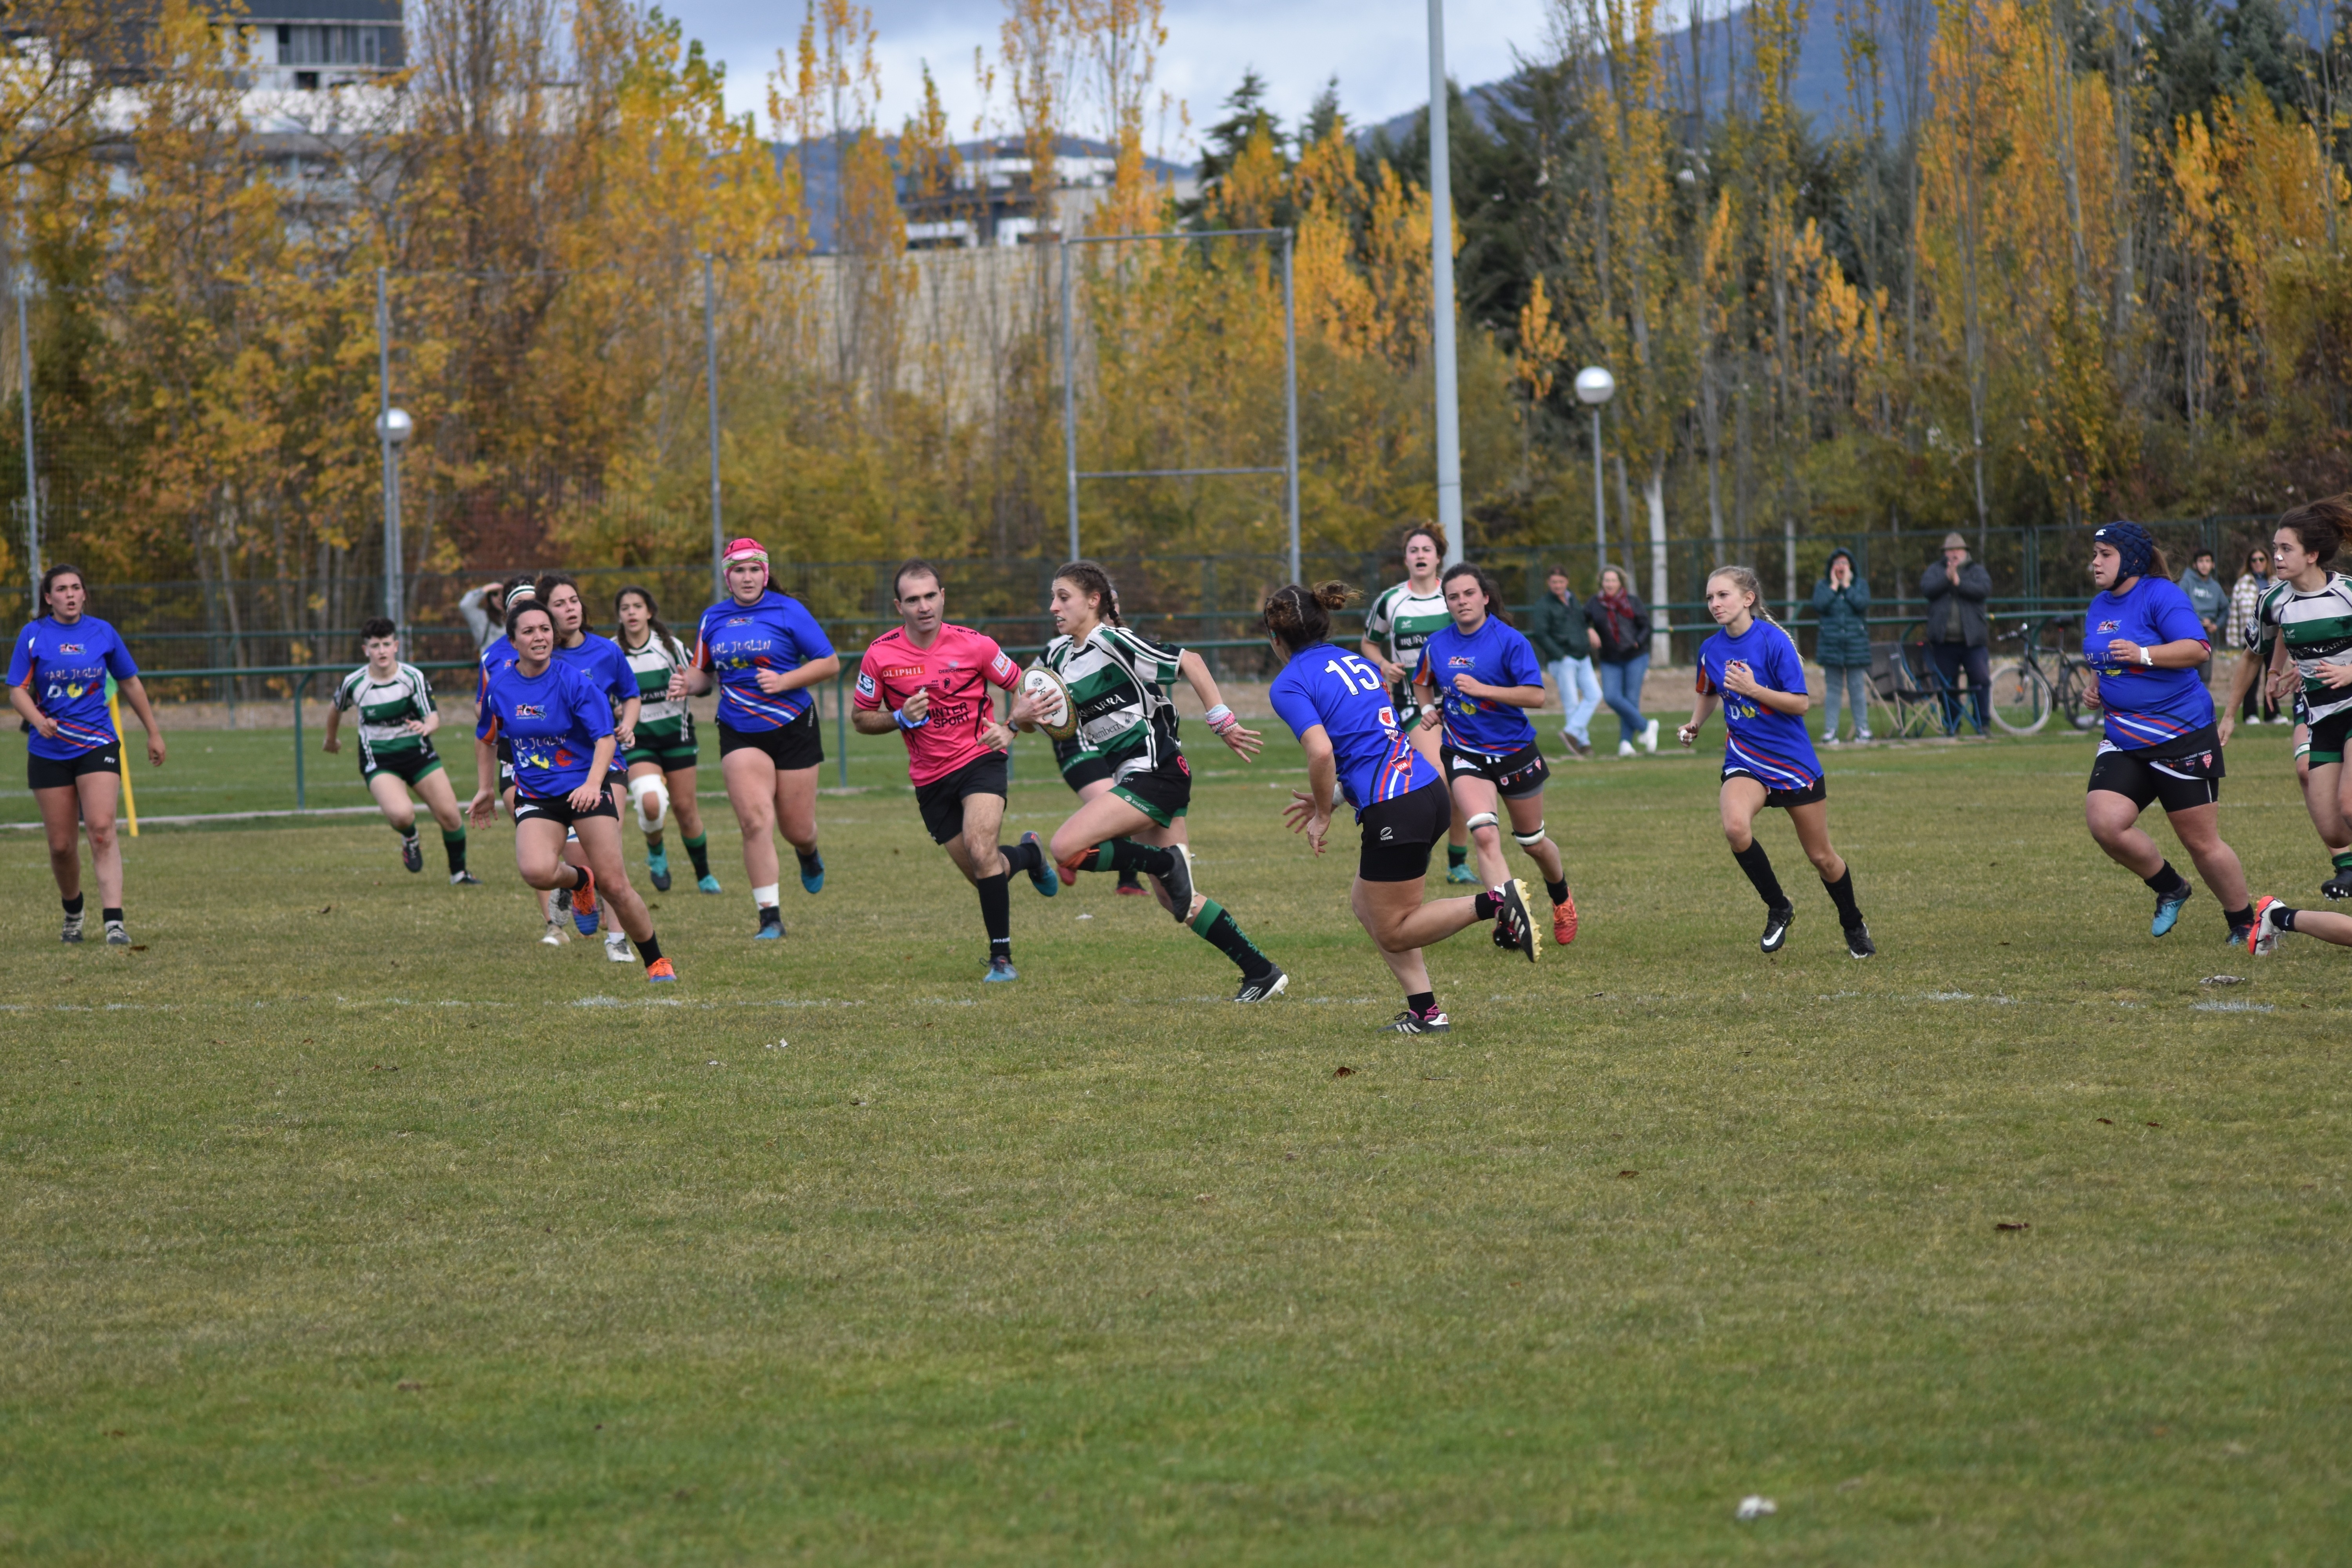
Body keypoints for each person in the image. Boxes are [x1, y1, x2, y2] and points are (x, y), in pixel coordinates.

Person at [1266, 581, 1541, 1035]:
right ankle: (1426, 1013)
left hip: (1397, 806)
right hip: (1427, 791)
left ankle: (1496, 901)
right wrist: (1334, 798)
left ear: (1275, 638)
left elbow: (1321, 752)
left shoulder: (1290, 682)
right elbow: (1368, 744)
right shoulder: (1357, 661)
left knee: (1394, 929)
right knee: (1366, 904)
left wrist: (1320, 812)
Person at [1009, 559, 1289, 1001]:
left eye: (1063, 598)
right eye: (1053, 598)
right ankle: (1260, 971)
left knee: (1064, 848)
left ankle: (1163, 863)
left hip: (1157, 771)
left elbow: (1191, 662)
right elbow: (1038, 716)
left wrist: (1221, 719)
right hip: (1137, 776)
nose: (1053, 607)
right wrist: (1021, 717)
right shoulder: (1060, 656)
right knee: (1178, 901)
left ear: (1093, 600)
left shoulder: (1114, 641)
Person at [853, 559, 1056, 982]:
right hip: (930, 779)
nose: (924, 606)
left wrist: (1013, 727)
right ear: (899, 606)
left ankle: (1001, 958)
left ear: (943, 596)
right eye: (913, 599)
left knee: (982, 849)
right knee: (987, 872)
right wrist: (898, 717)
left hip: (981, 758)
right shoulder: (880, 655)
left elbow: (1028, 692)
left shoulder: (976, 645)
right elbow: (860, 718)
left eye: (930, 596)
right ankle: (1032, 855)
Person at [469, 598, 675, 981]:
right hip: (536, 793)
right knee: (536, 871)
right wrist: (485, 788)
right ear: (512, 641)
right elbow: (488, 737)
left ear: (555, 634)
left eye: (545, 629)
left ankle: (656, 959)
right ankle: (581, 881)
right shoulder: (499, 686)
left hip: (585, 789)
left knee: (615, 884)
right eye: (528, 631)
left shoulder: (575, 681)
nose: (539, 637)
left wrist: (594, 785)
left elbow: (605, 739)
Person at [1678, 566, 1875, 957]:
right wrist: (1696, 722)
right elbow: (1708, 689)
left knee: (1822, 857)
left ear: (1748, 599)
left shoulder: (1774, 642)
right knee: (1736, 828)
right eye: (1710, 598)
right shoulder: (1711, 649)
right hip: (1745, 757)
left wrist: (1754, 689)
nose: (1715, 604)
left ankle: (1852, 922)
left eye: (1723, 595)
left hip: (1791, 763)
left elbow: (1801, 704)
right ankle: (1779, 907)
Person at [2078, 520, 2253, 945]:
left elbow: (2197, 649)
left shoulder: (2161, 595)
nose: (2095, 563)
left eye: (2105, 555)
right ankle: (2171, 887)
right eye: (2095, 555)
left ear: (2132, 560)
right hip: (2123, 736)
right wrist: (2098, 684)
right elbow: (2105, 656)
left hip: (2181, 734)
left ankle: (2245, 923)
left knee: (2201, 843)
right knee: (2105, 821)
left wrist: (2143, 654)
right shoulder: (2099, 604)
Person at [679, 538, 839, 940]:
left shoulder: (788, 610)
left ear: (765, 573)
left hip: (793, 724)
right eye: (738, 570)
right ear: (727, 577)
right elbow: (703, 674)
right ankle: (770, 917)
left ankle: (809, 853)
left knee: (797, 829)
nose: (747, 577)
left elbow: (829, 662)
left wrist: (785, 680)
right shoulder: (712, 618)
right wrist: (686, 682)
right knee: (754, 821)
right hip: (739, 729)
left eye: (754, 569)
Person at [1413, 563, 1581, 949]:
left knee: (1533, 842)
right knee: (1485, 834)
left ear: (1485, 596)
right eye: (1453, 597)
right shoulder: (1437, 644)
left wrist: (1483, 689)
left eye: (1468, 594)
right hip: (1464, 753)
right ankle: (1509, 918)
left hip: (1514, 753)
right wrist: (1428, 710)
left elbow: (1536, 696)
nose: (1461, 602)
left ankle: (1562, 899)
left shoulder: (1509, 640)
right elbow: (1421, 681)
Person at [7, 563, 166, 945]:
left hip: (97, 742)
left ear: (84, 593)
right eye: (61, 589)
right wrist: (37, 719)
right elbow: (16, 689)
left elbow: (130, 682)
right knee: (61, 845)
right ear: (49, 598)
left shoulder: (102, 632)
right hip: (49, 748)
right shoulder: (33, 636)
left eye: (76, 587)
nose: (70, 595)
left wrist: (153, 732)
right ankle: (73, 911)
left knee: (101, 829)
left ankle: (114, 921)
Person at [2219, 500, 2352, 900]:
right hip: (2321, 717)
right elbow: (2251, 656)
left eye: (2286, 549)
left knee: (2349, 805)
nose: (2276, 556)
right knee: (2332, 827)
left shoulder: (2347, 592)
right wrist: (2229, 714)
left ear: (2312, 555)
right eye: (2274, 547)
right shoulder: (2272, 602)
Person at [324, 616, 475, 885]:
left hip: (418, 755)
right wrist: (331, 739)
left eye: (385, 644)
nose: (381, 651)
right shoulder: (355, 683)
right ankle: (410, 837)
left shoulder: (412, 678)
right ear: (366, 650)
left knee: (451, 816)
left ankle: (460, 874)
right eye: (374, 646)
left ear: (396, 646)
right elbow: (335, 708)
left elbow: (434, 717)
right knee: (402, 814)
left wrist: (428, 727)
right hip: (380, 759)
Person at [539, 572, 642, 963]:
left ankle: (617, 939)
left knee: (610, 848)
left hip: (607, 760)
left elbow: (630, 695)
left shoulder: (606, 652)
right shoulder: (540, 657)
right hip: (559, 770)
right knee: (576, 854)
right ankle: (579, 884)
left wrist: (628, 723)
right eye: (560, 604)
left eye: (574, 600)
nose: (571, 609)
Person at [1363, 523, 1475, 880]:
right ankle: (1420, 850)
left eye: (1427, 549)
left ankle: (1457, 862)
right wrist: (1383, 665)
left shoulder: (1453, 597)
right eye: (1414, 550)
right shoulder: (1391, 600)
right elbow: (1369, 643)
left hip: (1458, 702)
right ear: (1406, 558)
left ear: (1439, 556)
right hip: (1413, 701)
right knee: (1440, 777)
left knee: (1462, 783)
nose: (1421, 555)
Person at [613, 584, 719, 897]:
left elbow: (704, 685)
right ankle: (656, 850)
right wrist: (613, 707)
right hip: (637, 741)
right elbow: (596, 697)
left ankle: (704, 875)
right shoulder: (612, 652)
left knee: (686, 812)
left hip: (677, 737)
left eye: (637, 606)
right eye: (625, 608)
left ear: (649, 612)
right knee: (650, 800)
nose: (631, 612)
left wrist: (687, 685)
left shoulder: (671, 647)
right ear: (619, 615)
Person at [1052, 731, 1147, 895]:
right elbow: (1029, 721)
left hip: (1116, 743)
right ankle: (1072, 847)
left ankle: (1129, 881)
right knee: (1121, 809)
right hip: (1081, 746)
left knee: (1141, 803)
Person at [1919, 531, 1992, 736]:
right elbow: (1927, 589)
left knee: (1980, 681)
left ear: (1965, 552)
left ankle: (1983, 724)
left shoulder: (1976, 571)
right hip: (1944, 643)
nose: (1953, 554)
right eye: (1949, 551)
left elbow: (1984, 590)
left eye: (1957, 550)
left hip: (1973, 642)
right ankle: (1954, 725)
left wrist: (1959, 583)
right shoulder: (1936, 571)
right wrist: (1947, 579)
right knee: (1947, 686)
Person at [1528, 565, 1601, 758]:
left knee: (1594, 694)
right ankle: (1583, 744)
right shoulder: (1543, 606)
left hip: (1583, 656)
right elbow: (1541, 634)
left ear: (1567, 582)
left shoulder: (1573, 600)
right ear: (1549, 583)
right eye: (1554, 582)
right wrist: (1560, 655)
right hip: (1563, 660)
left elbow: (1582, 621)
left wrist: (1590, 630)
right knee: (1571, 702)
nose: (1558, 585)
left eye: (1561, 582)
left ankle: (1571, 732)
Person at [1586, 564, 1657, 757]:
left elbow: (1646, 626)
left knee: (1631, 700)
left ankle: (1625, 744)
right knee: (1611, 697)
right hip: (1610, 659)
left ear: (1620, 583)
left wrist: (1638, 642)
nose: (1609, 584)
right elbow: (1582, 621)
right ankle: (1646, 726)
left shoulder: (1633, 602)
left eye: (1613, 580)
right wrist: (1589, 630)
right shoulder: (1594, 603)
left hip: (1635, 656)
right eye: (1606, 580)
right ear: (1601, 582)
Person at [1808, 547, 1873, 745]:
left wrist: (1847, 586)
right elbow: (1819, 605)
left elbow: (1862, 604)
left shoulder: (1860, 585)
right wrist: (1834, 588)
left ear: (1851, 566)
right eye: (1837, 563)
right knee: (1833, 689)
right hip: (1831, 646)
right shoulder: (1824, 586)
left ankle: (1863, 730)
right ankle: (1831, 731)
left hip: (1856, 645)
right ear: (1831, 567)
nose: (1841, 567)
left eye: (1844, 563)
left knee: (1857, 688)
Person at [2224, 543, 2278, 724]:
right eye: (2254, 560)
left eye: (2261, 559)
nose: (2258, 563)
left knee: (2273, 674)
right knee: (2250, 677)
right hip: (2251, 637)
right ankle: (2250, 714)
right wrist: (2233, 639)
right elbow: (2235, 613)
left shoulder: (2276, 582)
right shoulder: (2242, 584)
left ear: (2267, 561)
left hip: (2273, 636)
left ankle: (2272, 714)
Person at [2178, 548, 2228, 677]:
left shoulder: (2216, 587)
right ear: (2195, 565)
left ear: (2213, 565)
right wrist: (2197, 619)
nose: (2204, 565)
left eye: (2208, 561)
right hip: (2188, 632)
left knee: (2205, 675)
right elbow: (2180, 605)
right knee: (2187, 672)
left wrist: (2217, 625)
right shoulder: (2186, 582)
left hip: (2206, 634)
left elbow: (2225, 609)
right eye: (2201, 561)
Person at [457, 581, 508, 653]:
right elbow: (465, 605)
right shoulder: (482, 618)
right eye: (495, 594)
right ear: (489, 597)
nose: (500, 598)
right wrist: (485, 589)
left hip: (514, 662)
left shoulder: (516, 617)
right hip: (490, 662)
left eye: (504, 594)